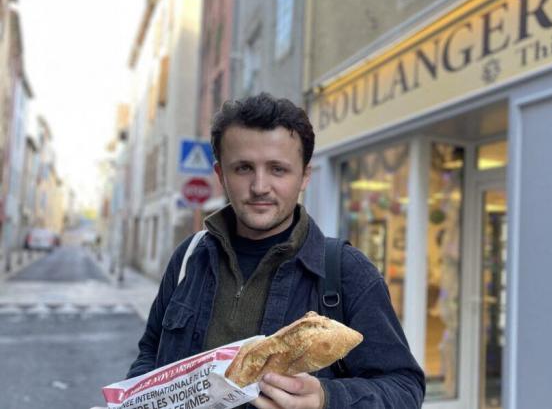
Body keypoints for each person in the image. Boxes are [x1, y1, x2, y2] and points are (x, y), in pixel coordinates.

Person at [127, 93, 425, 409]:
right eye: (243, 168)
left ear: (304, 176)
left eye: (278, 169)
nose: (259, 186)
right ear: (221, 174)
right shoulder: (190, 257)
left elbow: (404, 389)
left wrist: (326, 398)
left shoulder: (346, 271)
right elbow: (151, 353)